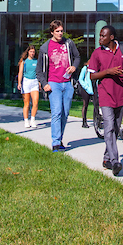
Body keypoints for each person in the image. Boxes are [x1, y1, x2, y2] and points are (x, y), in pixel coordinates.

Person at [87, 25, 123, 176]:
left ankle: (107, 158)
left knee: (116, 128)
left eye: (103, 36)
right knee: (109, 127)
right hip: (105, 94)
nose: (100, 38)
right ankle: (115, 161)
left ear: (111, 37)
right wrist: (107, 72)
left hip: (121, 94)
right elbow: (92, 76)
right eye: (100, 36)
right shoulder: (97, 53)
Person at [38, 20, 81, 151]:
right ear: (52, 32)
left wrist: (74, 66)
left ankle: (60, 139)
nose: (60, 33)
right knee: (56, 112)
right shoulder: (45, 48)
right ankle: (55, 142)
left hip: (67, 83)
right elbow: (39, 70)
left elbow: (77, 57)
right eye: (57, 31)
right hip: (53, 84)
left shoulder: (69, 43)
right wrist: (44, 84)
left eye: (61, 31)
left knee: (65, 113)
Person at [17, 45, 40, 127]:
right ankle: (26, 120)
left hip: (34, 82)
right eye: (31, 52)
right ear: (28, 52)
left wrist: (40, 82)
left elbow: (38, 73)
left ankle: (33, 119)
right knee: (26, 103)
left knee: (35, 102)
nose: (32, 53)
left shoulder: (37, 61)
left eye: (33, 52)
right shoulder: (24, 61)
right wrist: (19, 83)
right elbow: (20, 72)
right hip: (26, 82)